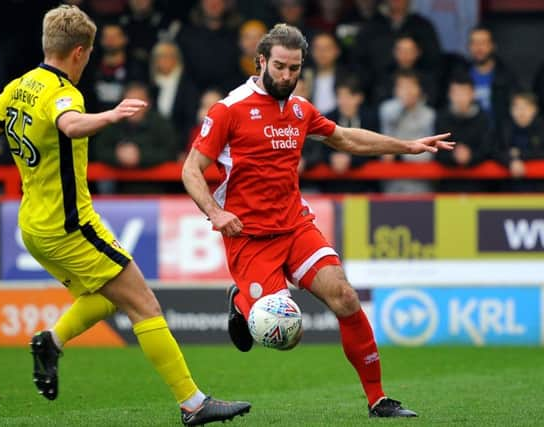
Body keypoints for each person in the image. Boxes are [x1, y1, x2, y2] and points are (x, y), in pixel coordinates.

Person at [0, 5, 250, 426]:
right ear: (80, 52)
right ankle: (193, 403)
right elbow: (72, 125)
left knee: (106, 296)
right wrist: (111, 115)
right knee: (143, 303)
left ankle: (51, 340)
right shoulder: (64, 93)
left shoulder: (20, 85)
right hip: (70, 225)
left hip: (33, 225)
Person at [182, 23, 453, 418]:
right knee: (287, 336)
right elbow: (191, 169)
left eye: (295, 69)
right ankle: (240, 303)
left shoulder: (300, 109)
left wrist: (407, 146)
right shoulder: (229, 109)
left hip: (295, 226)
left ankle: (378, 399)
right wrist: (216, 212)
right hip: (249, 236)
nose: (287, 76)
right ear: (261, 61)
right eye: (279, 67)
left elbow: (345, 138)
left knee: (344, 296)